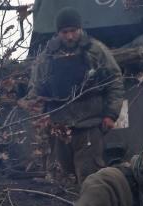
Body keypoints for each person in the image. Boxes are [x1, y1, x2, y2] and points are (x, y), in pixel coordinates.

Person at [26, 8, 124, 184]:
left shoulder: (95, 50)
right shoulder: (47, 57)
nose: (70, 36)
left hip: (89, 126)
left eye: (73, 31)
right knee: (61, 181)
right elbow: (36, 88)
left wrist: (111, 114)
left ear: (80, 29)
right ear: (58, 33)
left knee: (90, 179)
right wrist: (38, 116)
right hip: (59, 128)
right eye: (65, 32)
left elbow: (114, 80)